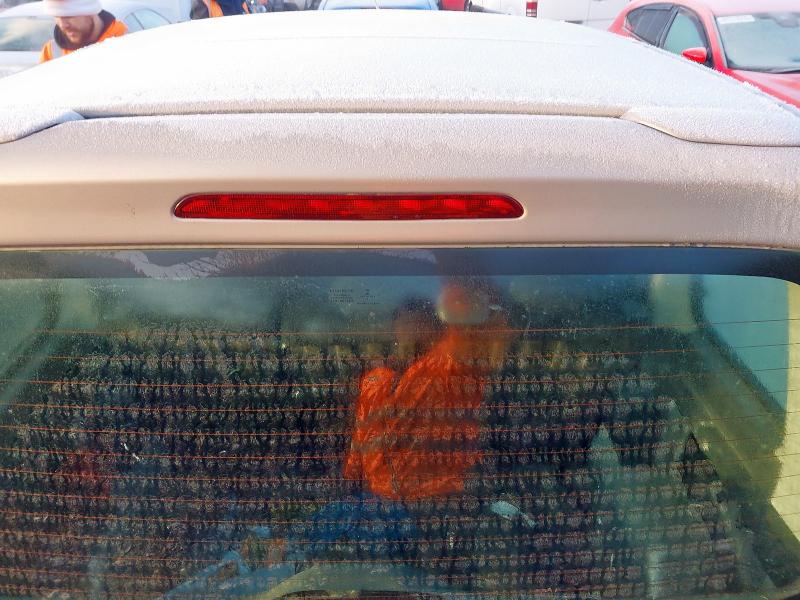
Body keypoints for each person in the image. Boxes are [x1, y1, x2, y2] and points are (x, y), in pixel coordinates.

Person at [39, 0, 127, 63]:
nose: (62, 25)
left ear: (90, 11)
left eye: (69, 16)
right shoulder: (51, 51)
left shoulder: (124, 40)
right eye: (57, 17)